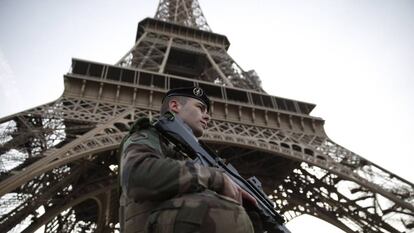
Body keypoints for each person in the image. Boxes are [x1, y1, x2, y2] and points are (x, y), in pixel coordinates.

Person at [119, 87, 258, 233]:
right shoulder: (149, 136)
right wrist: (216, 178)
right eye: (200, 108)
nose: (207, 117)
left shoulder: (193, 154)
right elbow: (137, 175)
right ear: (175, 106)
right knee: (221, 212)